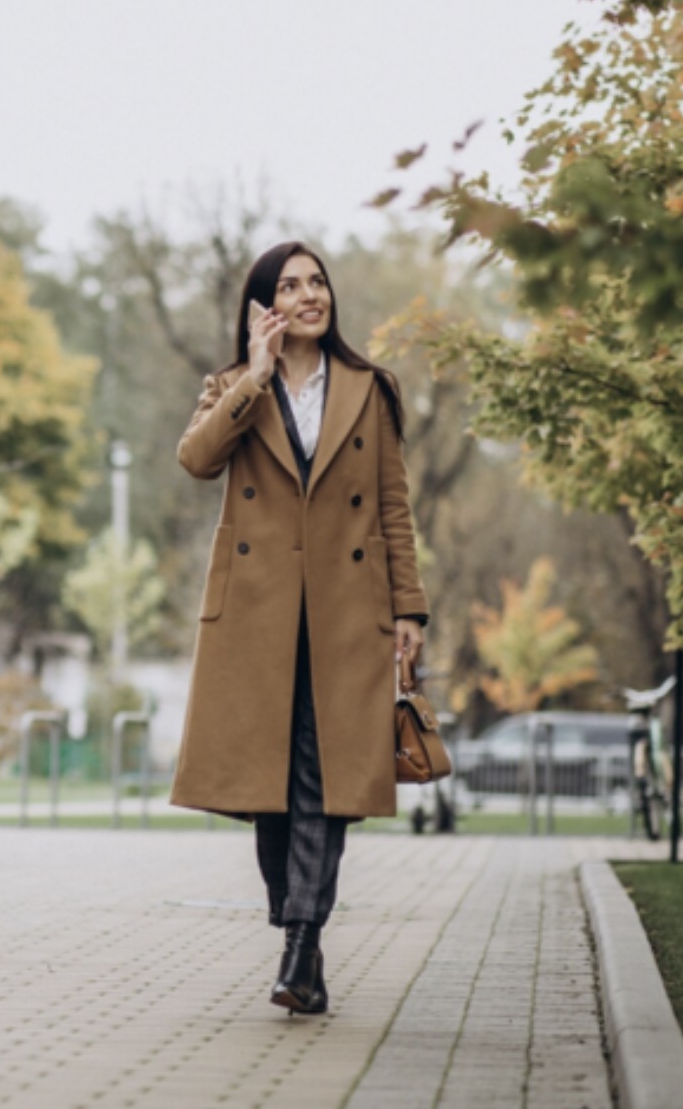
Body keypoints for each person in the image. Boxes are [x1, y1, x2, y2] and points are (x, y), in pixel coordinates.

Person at [169, 241, 429, 1015]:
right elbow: (195, 460)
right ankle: (299, 934)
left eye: (318, 282)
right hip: (258, 615)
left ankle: (299, 943)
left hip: (346, 612)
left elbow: (392, 505)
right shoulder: (233, 386)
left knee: (326, 782)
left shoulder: (370, 388)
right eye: (290, 286)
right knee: (271, 787)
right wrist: (255, 375)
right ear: (264, 306)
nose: (311, 295)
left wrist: (409, 608)